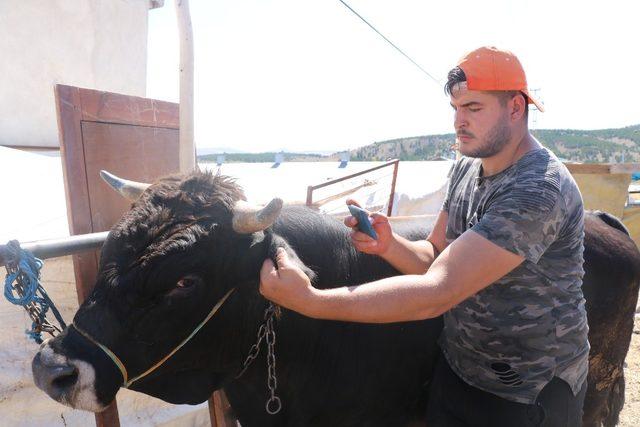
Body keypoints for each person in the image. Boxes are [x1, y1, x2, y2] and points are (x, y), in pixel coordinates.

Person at [259, 46, 589, 426]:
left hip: (529, 392)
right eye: (456, 109)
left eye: (474, 108)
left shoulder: (539, 188)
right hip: (460, 371)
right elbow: (435, 256)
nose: (458, 121)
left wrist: (311, 301)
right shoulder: (467, 167)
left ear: (516, 108)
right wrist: (390, 244)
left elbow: (437, 292)